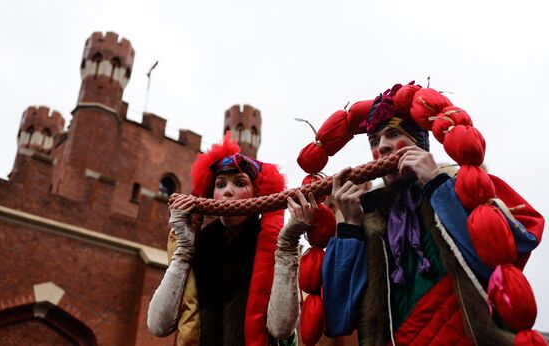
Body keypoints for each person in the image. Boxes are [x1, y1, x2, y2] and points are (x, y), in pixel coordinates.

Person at [278, 82, 545, 345]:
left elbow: (508, 254)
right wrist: (351, 227)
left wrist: (437, 184)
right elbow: (339, 318)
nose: (382, 147)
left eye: (393, 135)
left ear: (420, 143)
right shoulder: (370, 217)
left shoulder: (463, 188)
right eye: (375, 140)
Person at [147, 134, 314, 346]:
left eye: (240, 183)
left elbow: (281, 328)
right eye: (220, 184)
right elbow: (158, 325)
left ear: (256, 196)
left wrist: (288, 244)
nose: (227, 191)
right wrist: (183, 250)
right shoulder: (202, 242)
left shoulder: (275, 243)